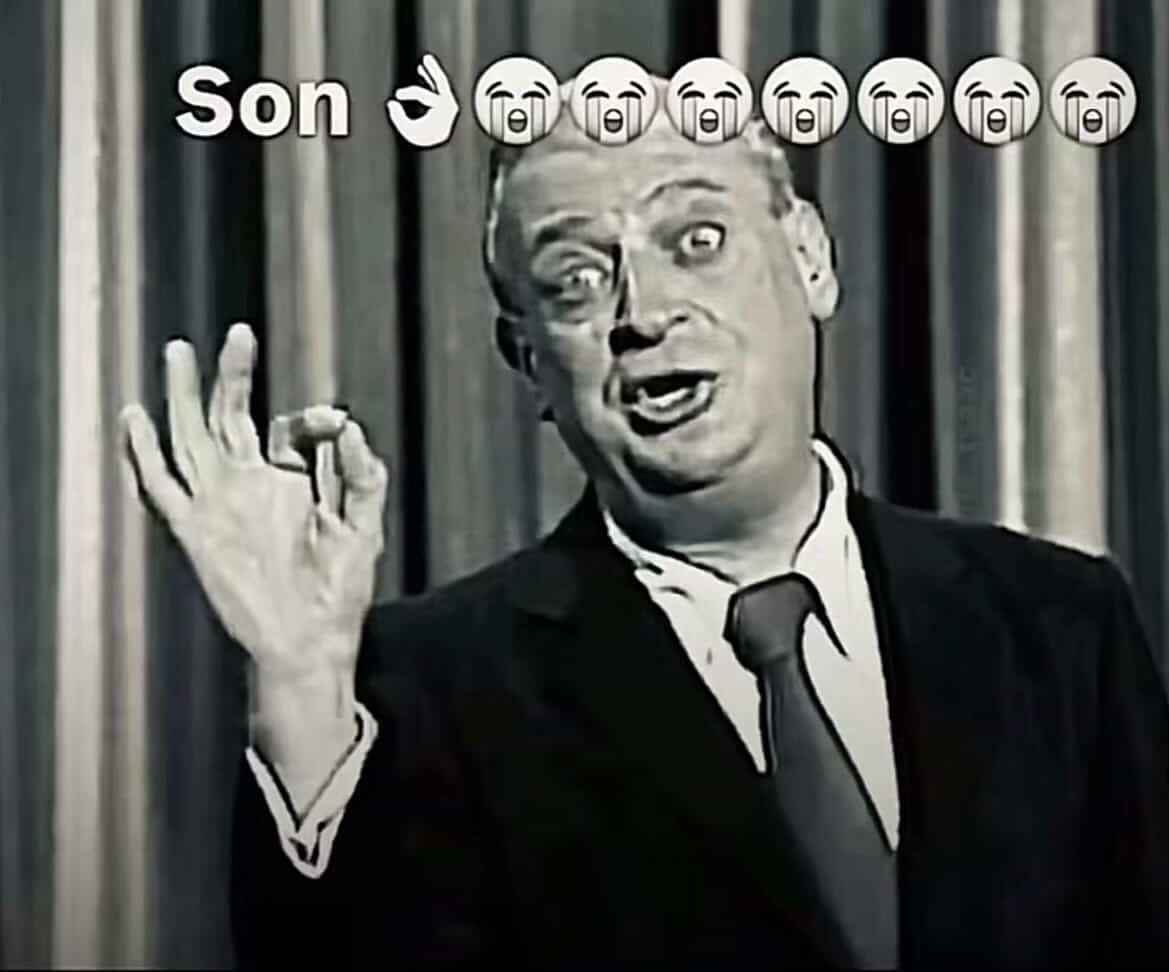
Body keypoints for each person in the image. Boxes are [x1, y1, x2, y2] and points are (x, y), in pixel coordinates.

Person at [120, 75, 1168, 968]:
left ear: (809, 257)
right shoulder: (421, 690)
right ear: (528, 359)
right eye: (574, 280)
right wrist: (302, 682)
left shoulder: (1061, 624)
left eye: (695, 240)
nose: (643, 312)